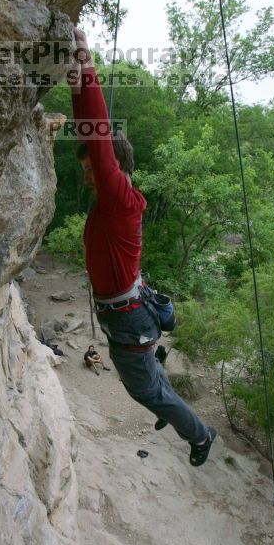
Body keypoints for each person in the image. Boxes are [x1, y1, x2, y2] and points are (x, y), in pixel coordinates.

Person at [68, 28, 216, 467]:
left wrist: (87, 67)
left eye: (93, 171)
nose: (89, 178)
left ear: (115, 169)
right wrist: (76, 78)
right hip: (133, 308)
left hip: (129, 315)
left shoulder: (117, 200)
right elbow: (90, 138)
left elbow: (97, 140)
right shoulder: (114, 203)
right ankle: (172, 409)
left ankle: (201, 434)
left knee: (143, 389)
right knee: (149, 378)